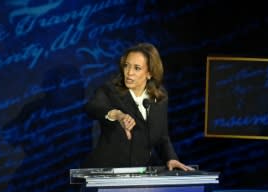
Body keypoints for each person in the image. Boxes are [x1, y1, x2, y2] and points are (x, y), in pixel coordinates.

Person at [82, 42, 193, 171]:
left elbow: (162, 136)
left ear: (149, 73)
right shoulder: (110, 90)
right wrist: (117, 114)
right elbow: (92, 107)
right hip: (106, 173)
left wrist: (171, 158)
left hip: (139, 176)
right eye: (126, 66)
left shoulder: (159, 97)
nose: (129, 73)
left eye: (137, 68)